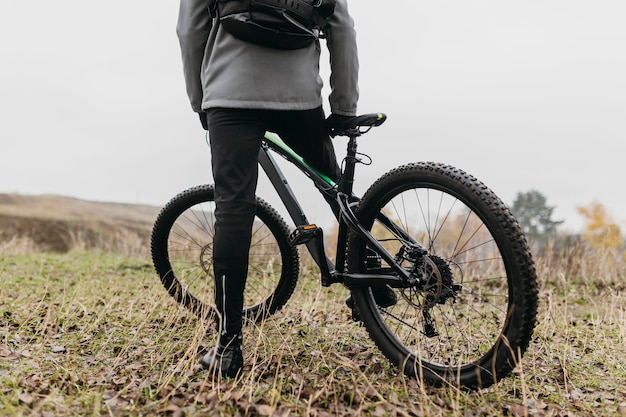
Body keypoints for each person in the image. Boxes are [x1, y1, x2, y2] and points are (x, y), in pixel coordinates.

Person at [176, 0, 359, 378]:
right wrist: (343, 106)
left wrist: (201, 102)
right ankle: (371, 282)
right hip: (300, 98)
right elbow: (341, 27)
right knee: (335, 187)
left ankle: (228, 347)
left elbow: (191, 30)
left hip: (230, 95)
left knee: (233, 209)